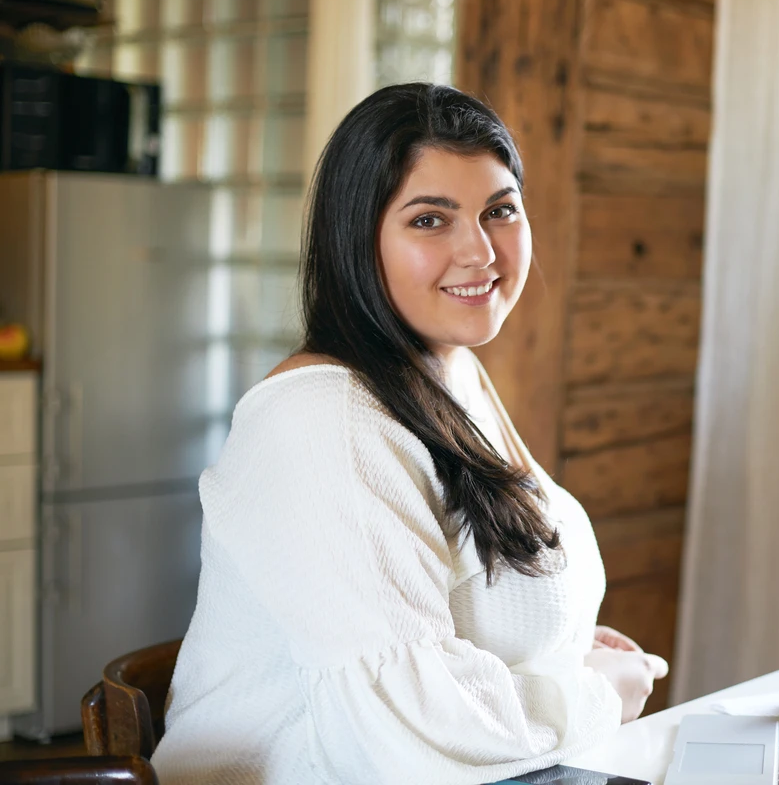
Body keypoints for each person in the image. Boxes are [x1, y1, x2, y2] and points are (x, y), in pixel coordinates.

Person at [151, 83, 668, 785]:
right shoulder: (325, 421)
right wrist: (598, 692)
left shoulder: (448, 374)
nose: (481, 251)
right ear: (357, 241)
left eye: (500, 211)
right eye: (430, 220)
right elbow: (408, 732)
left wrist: (569, 655)